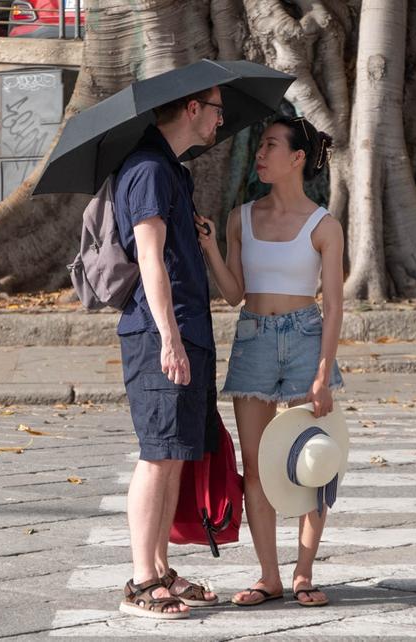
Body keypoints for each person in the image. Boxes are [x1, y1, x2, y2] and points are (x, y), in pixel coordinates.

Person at [196, 115, 344, 608]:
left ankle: (304, 573)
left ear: (297, 158)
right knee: (256, 466)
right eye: (259, 145)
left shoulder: (324, 225)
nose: (260, 154)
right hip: (254, 339)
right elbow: (234, 293)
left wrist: (323, 373)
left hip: (305, 337)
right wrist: (211, 247)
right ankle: (268, 576)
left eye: (271, 146)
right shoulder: (240, 218)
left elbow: (335, 306)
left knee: (312, 462)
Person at [113, 86, 225, 620]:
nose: (221, 122)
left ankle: (159, 570)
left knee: (176, 451)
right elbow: (150, 259)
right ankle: (140, 582)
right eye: (218, 110)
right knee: (157, 453)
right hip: (160, 333)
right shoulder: (149, 170)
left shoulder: (173, 171)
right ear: (193, 108)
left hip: (187, 329)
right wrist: (169, 338)